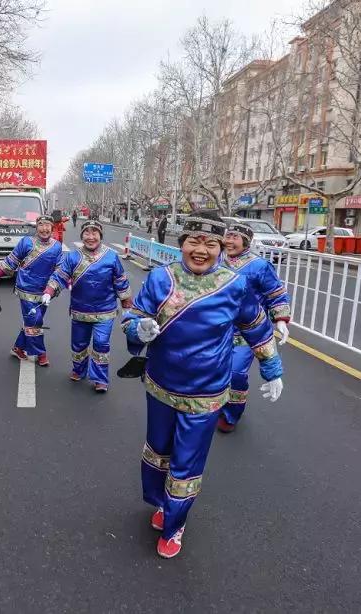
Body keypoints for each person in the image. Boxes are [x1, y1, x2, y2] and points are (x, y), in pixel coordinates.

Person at [121, 212, 284, 559]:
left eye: (211, 243)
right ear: (181, 244)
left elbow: (256, 327)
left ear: (220, 249)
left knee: (187, 462)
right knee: (157, 451)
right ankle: (162, 503)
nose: (201, 250)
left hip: (206, 392)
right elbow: (133, 316)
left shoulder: (234, 284)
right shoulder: (160, 278)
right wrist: (139, 329)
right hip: (162, 384)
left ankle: (175, 523)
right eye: (194, 241)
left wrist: (272, 368)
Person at [43, 220, 132, 393]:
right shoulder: (73, 257)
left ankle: (100, 379)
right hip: (80, 311)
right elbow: (59, 276)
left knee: (101, 344)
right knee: (78, 344)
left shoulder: (111, 257)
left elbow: (121, 282)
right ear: (82, 236)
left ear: (100, 236)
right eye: (87, 233)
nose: (90, 237)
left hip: (105, 311)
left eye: (94, 233)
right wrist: (48, 291)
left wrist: (127, 307)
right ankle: (78, 370)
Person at [218, 221, 291, 433]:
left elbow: (275, 294)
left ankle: (231, 414)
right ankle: (211, 404)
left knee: (235, 374)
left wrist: (280, 320)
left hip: (245, 333)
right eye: (228, 236)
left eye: (235, 237)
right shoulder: (215, 260)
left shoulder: (259, 266)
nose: (229, 241)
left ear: (246, 242)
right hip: (216, 331)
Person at [0, 213, 62, 366]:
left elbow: (60, 270)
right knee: (35, 321)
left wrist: (52, 289)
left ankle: (18, 347)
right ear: (36, 227)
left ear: (52, 228)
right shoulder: (26, 242)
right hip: (26, 288)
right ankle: (41, 353)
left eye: (47, 226)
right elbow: (12, 260)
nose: (44, 229)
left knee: (33, 321)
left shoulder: (57, 247)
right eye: (41, 225)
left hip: (45, 292)